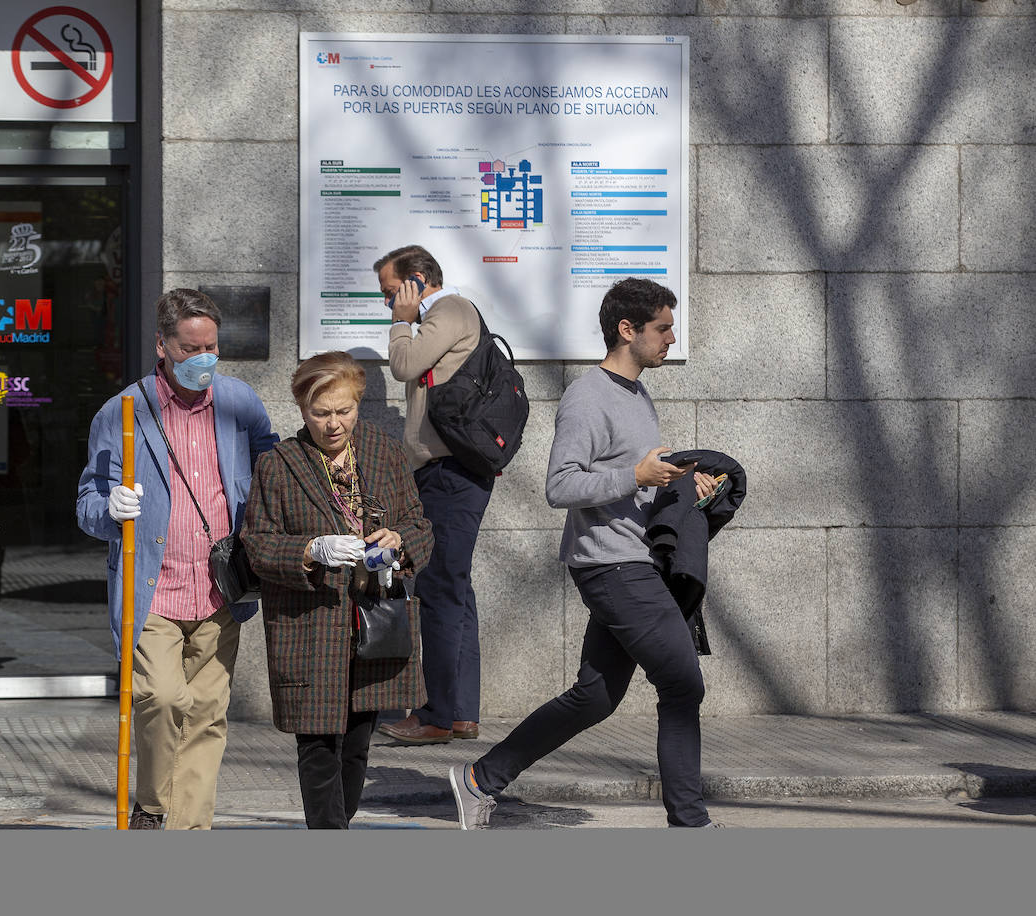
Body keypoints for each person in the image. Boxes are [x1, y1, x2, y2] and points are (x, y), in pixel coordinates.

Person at [448, 277, 721, 829]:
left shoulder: (638, 394)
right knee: (682, 681)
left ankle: (480, 779)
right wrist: (635, 473)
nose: (671, 337)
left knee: (595, 697)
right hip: (610, 565)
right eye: (662, 327)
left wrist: (680, 486)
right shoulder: (586, 396)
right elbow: (560, 485)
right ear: (628, 330)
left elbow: (632, 482)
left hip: (634, 558)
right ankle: (690, 825)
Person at [76, 288, 277, 829]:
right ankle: (152, 801)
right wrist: (110, 509)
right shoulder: (124, 410)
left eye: (212, 346)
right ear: (161, 346)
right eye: (191, 349)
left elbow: (273, 474)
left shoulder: (240, 402)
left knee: (208, 716)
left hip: (220, 591)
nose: (204, 359)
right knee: (161, 698)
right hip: (153, 591)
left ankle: (188, 835)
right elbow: (87, 501)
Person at [242, 352, 433, 829]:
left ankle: (338, 829)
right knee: (319, 744)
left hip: (375, 620)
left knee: (358, 742)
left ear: (358, 403)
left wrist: (400, 541)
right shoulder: (278, 464)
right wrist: (310, 550)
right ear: (302, 409)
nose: (333, 424)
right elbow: (258, 544)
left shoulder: (384, 452)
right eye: (320, 413)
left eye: (343, 411)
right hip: (310, 624)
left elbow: (419, 523)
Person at [374, 244, 492, 745]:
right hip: (447, 470)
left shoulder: (450, 310)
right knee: (454, 590)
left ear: (416, 281)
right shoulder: (449, 315)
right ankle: (460, 711)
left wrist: (402, 320)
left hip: (450, 473)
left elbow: (404, 363)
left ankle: (436, 715)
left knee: (440, 591)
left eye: (390, 293)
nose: (388, 304)